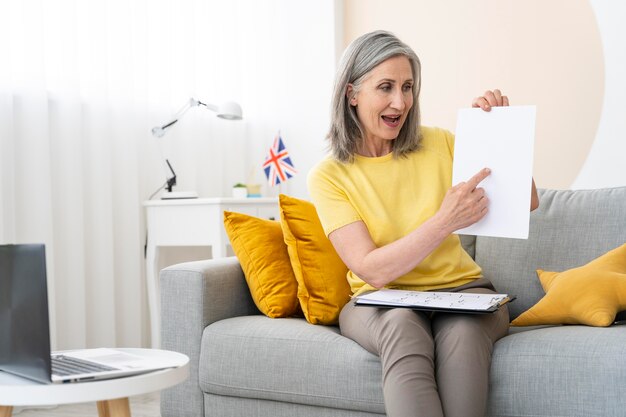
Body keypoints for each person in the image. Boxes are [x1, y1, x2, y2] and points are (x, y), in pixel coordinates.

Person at [307, 30, 539, 417]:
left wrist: (502, 131)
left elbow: (526, 203)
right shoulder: (329, 175)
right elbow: (371, 269)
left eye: (408, 86)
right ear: (352, 93)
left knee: (464, 334)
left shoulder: (440, 143)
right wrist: (444, 221)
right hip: (379, 301)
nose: (401, 101)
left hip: (464, 292)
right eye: (385, 87)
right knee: (401, 326)